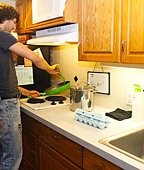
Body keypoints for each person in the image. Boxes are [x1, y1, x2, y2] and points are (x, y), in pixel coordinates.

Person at [0, 3, 60, 170]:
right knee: (12, 154)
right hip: (6, 106)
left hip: (5, 101)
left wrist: (24, 91)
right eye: (14, 23)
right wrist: (50, 69)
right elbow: (34, 57)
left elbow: (3, 79)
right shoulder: (3, 36)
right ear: (8, 19)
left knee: (4, 152)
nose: (14, 27)